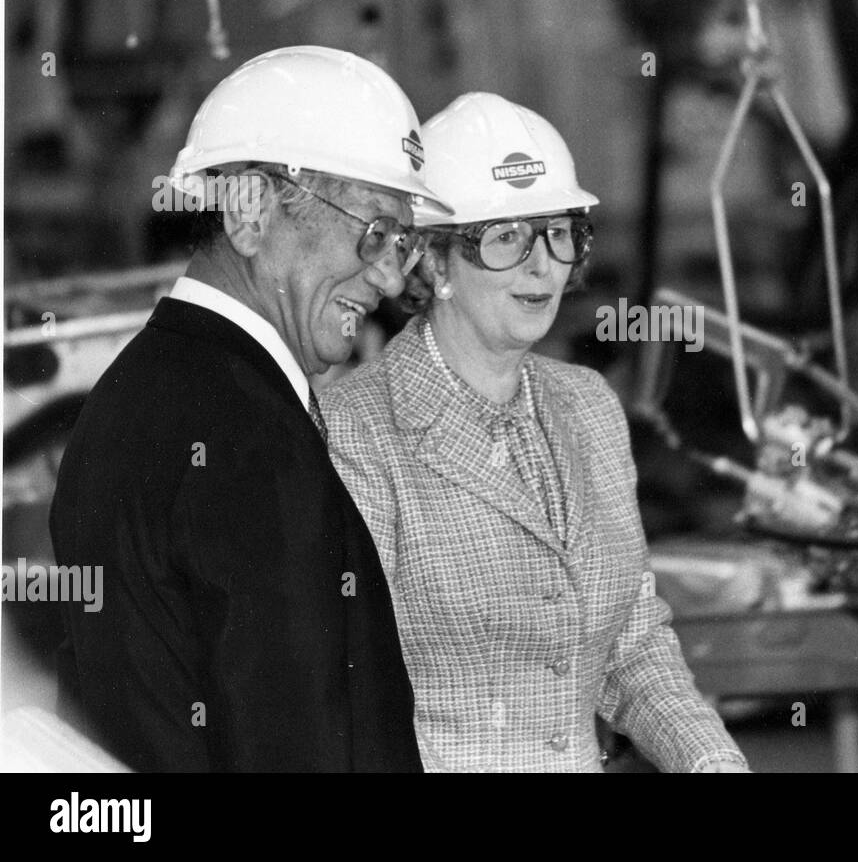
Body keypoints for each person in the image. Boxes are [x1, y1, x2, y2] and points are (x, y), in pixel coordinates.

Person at [49, 46, 449, 771]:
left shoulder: (135, 395)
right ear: (250, 210)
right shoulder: (252, 441)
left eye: (403, 243)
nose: (392, 279)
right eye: (374, 233)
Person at [322, 92, 748, 772]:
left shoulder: (589, 406)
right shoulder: (357, 429)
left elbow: (633, 647)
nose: (542, 265)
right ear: (433, 262)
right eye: (506, 237)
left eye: (557, 233)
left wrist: (712, 763)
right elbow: (338, 686)